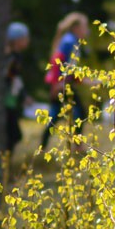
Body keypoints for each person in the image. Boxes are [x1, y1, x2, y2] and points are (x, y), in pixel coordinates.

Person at [39, 11, 92, 152]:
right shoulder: (70, 42)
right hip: (62, 85)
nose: (87, 30)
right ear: (76, 28)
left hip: (63, 84)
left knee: (55, 115)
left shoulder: (71, 41)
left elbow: (70, 69)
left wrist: (84, 80)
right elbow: (58, 61)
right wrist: (57, 83)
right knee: (80, 112)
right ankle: (77, 145)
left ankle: (42, 147)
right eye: (84, 27)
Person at [4, 21, 32, 155]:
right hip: (7, 101)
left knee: (13, 135)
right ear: (18, 40)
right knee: (14, 135)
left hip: (11, 100)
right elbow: (13, 79)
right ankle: (4, 161)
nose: (28, 41)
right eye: (26, 38)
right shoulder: (12, 58)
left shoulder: (14, 57)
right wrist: (23, 96)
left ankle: (5, 161)